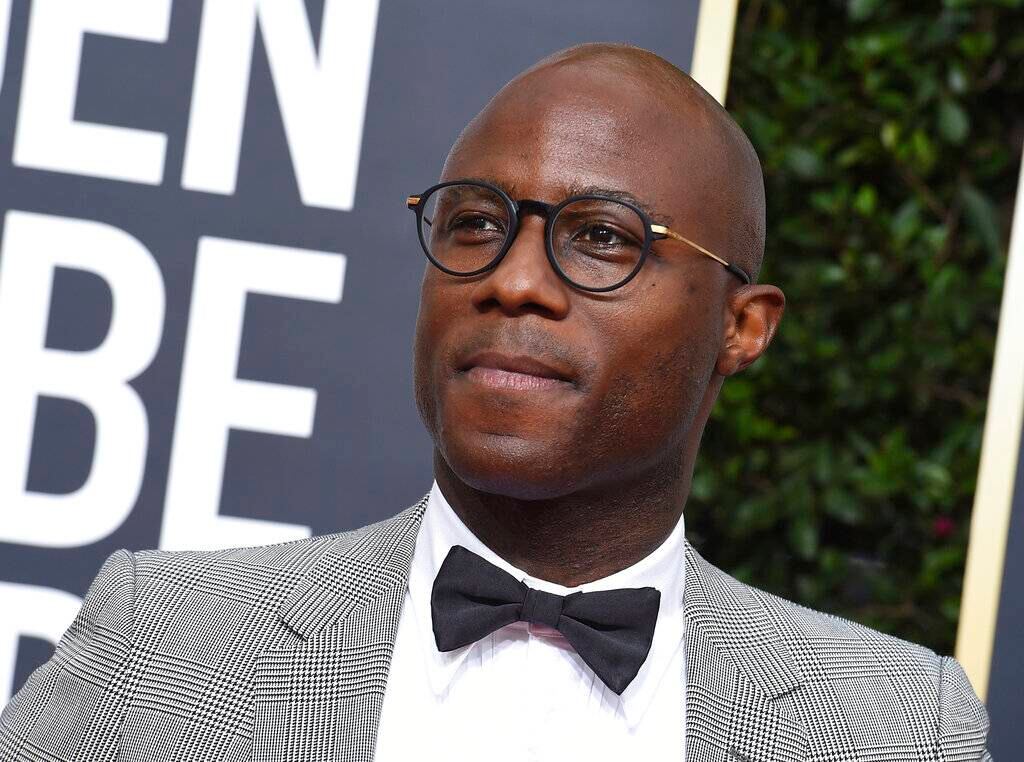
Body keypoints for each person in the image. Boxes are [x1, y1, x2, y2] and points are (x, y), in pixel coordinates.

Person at [0, 43, 990, 762]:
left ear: (743, 328)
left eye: (602, 238)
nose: (512, 281)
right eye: (476, 223)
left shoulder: (897, 730)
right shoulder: (163, 642)